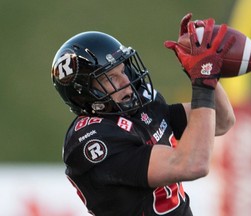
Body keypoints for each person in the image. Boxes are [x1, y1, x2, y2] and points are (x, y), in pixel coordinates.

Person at [51, 13, 236, 216]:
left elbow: (221, 120)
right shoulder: (92, 139)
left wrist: (201, 70)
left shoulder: (140, 105)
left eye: (123, 71)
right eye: (110, 78)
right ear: (84, 93)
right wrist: (203, 80)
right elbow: (193, 165)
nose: (125, 82)